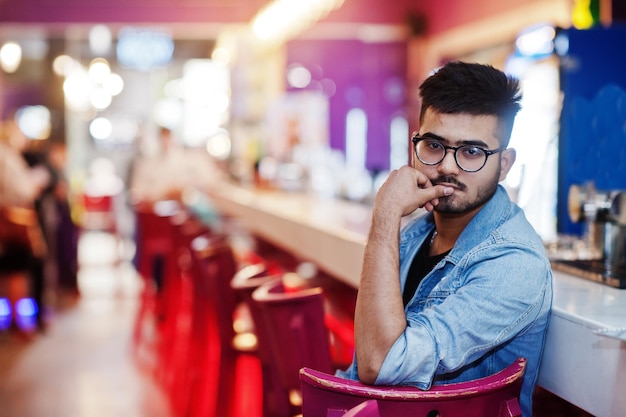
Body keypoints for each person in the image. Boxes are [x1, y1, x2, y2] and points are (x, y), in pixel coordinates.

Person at [337, 61, 552, 417]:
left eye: (472, 152)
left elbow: (381, 364)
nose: (448, 167)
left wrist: (385, 214)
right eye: (435, 145)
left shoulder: (513, 264)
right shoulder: (420, 230)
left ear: (505, 164)